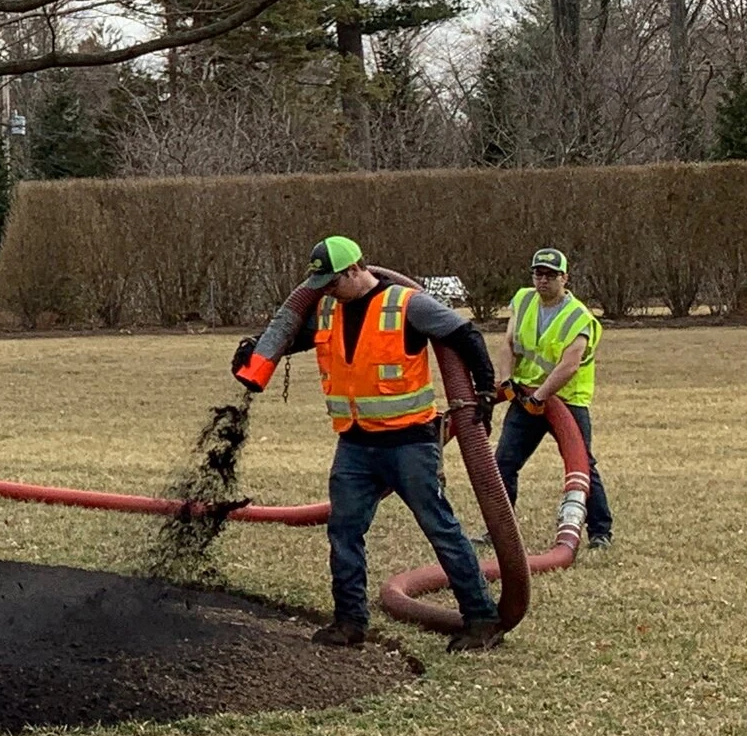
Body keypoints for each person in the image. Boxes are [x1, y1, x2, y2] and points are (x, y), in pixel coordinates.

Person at [233, 235, 507, 652]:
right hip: (355, 444)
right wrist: (257, 349)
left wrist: (484, 389)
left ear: (354, 270)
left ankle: (482, 619)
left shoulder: (407, 305)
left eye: (332, 282)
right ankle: (349, 622)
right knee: (344, 531)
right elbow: (296, 336)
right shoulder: (328, 308)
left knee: (440, 528)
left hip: (409, 443)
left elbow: (466, 334)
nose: (326, 291)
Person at [494, 248, 613, 548]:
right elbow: (509, 343)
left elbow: (569, 365)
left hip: (567, 400)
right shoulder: (523, 301)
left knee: (582, 464)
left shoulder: (579, 317)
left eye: (550, 275)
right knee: (504, 463)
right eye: (538, 273)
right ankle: (500, 531)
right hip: (525, 396)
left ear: (564, 278)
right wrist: (506, 380)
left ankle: (600, 532)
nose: (543, 280)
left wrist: (540, 397)